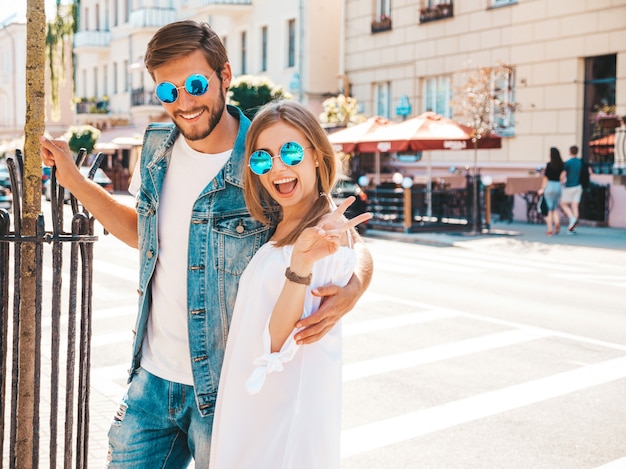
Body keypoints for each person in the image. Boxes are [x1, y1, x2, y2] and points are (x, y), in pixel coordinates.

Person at [40, 20, 373, 468]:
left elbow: (334, 228)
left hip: (222, 390)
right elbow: (145, 235)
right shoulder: (156, 148)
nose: (184, 102)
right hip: (152, 381)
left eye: (195, 84)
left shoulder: (266, 153)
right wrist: (74, 180)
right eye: (167, 92)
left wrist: (355, 285)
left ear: (225, 76)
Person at [209, 100, 372, 468]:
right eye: (262, 159)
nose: (278, 168)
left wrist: (300, 266)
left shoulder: (323, 239)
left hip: (281, 423)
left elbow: (283, 341)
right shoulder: (287, 225)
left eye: (291, 152)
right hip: (258, 410)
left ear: (317, 155)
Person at [537, 147, 564, 235]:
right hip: (558, 186)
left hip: (550, 186)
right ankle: (557, 223)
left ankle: (549, 229)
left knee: (548, 209)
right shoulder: (562, 165)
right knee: (554, 208)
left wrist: (542, 189)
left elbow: (546, 178)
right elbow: (562, 178)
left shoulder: (549, 165)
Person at [560, 145, 584, 233]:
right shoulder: (580, 162)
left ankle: (572, 218)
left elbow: (563, 175)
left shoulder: (568, 163)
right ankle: (573, 227)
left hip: (569, 186)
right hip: (578, 186)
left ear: (570, 151)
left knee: (563, 204)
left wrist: (561, 182)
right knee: (575, 206)